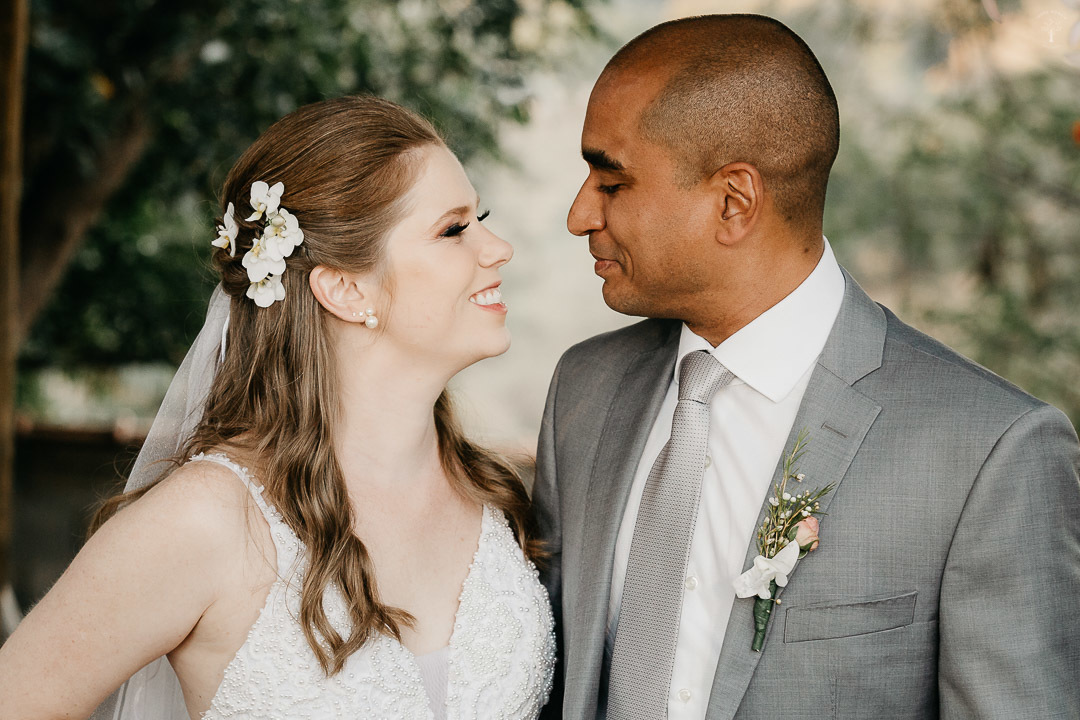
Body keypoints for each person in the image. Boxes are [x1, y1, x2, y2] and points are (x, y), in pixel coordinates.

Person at [533, 13, 1080, 720]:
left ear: (734, 203)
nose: (579, 215)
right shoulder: (584, 390)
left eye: (611, 183)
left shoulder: (990, 452)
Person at [0, 95, 555, 720]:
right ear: (344, 288)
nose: (498, 248)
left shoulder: (494, 496)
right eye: (454, 229)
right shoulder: (208, 520)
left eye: (479, 218)